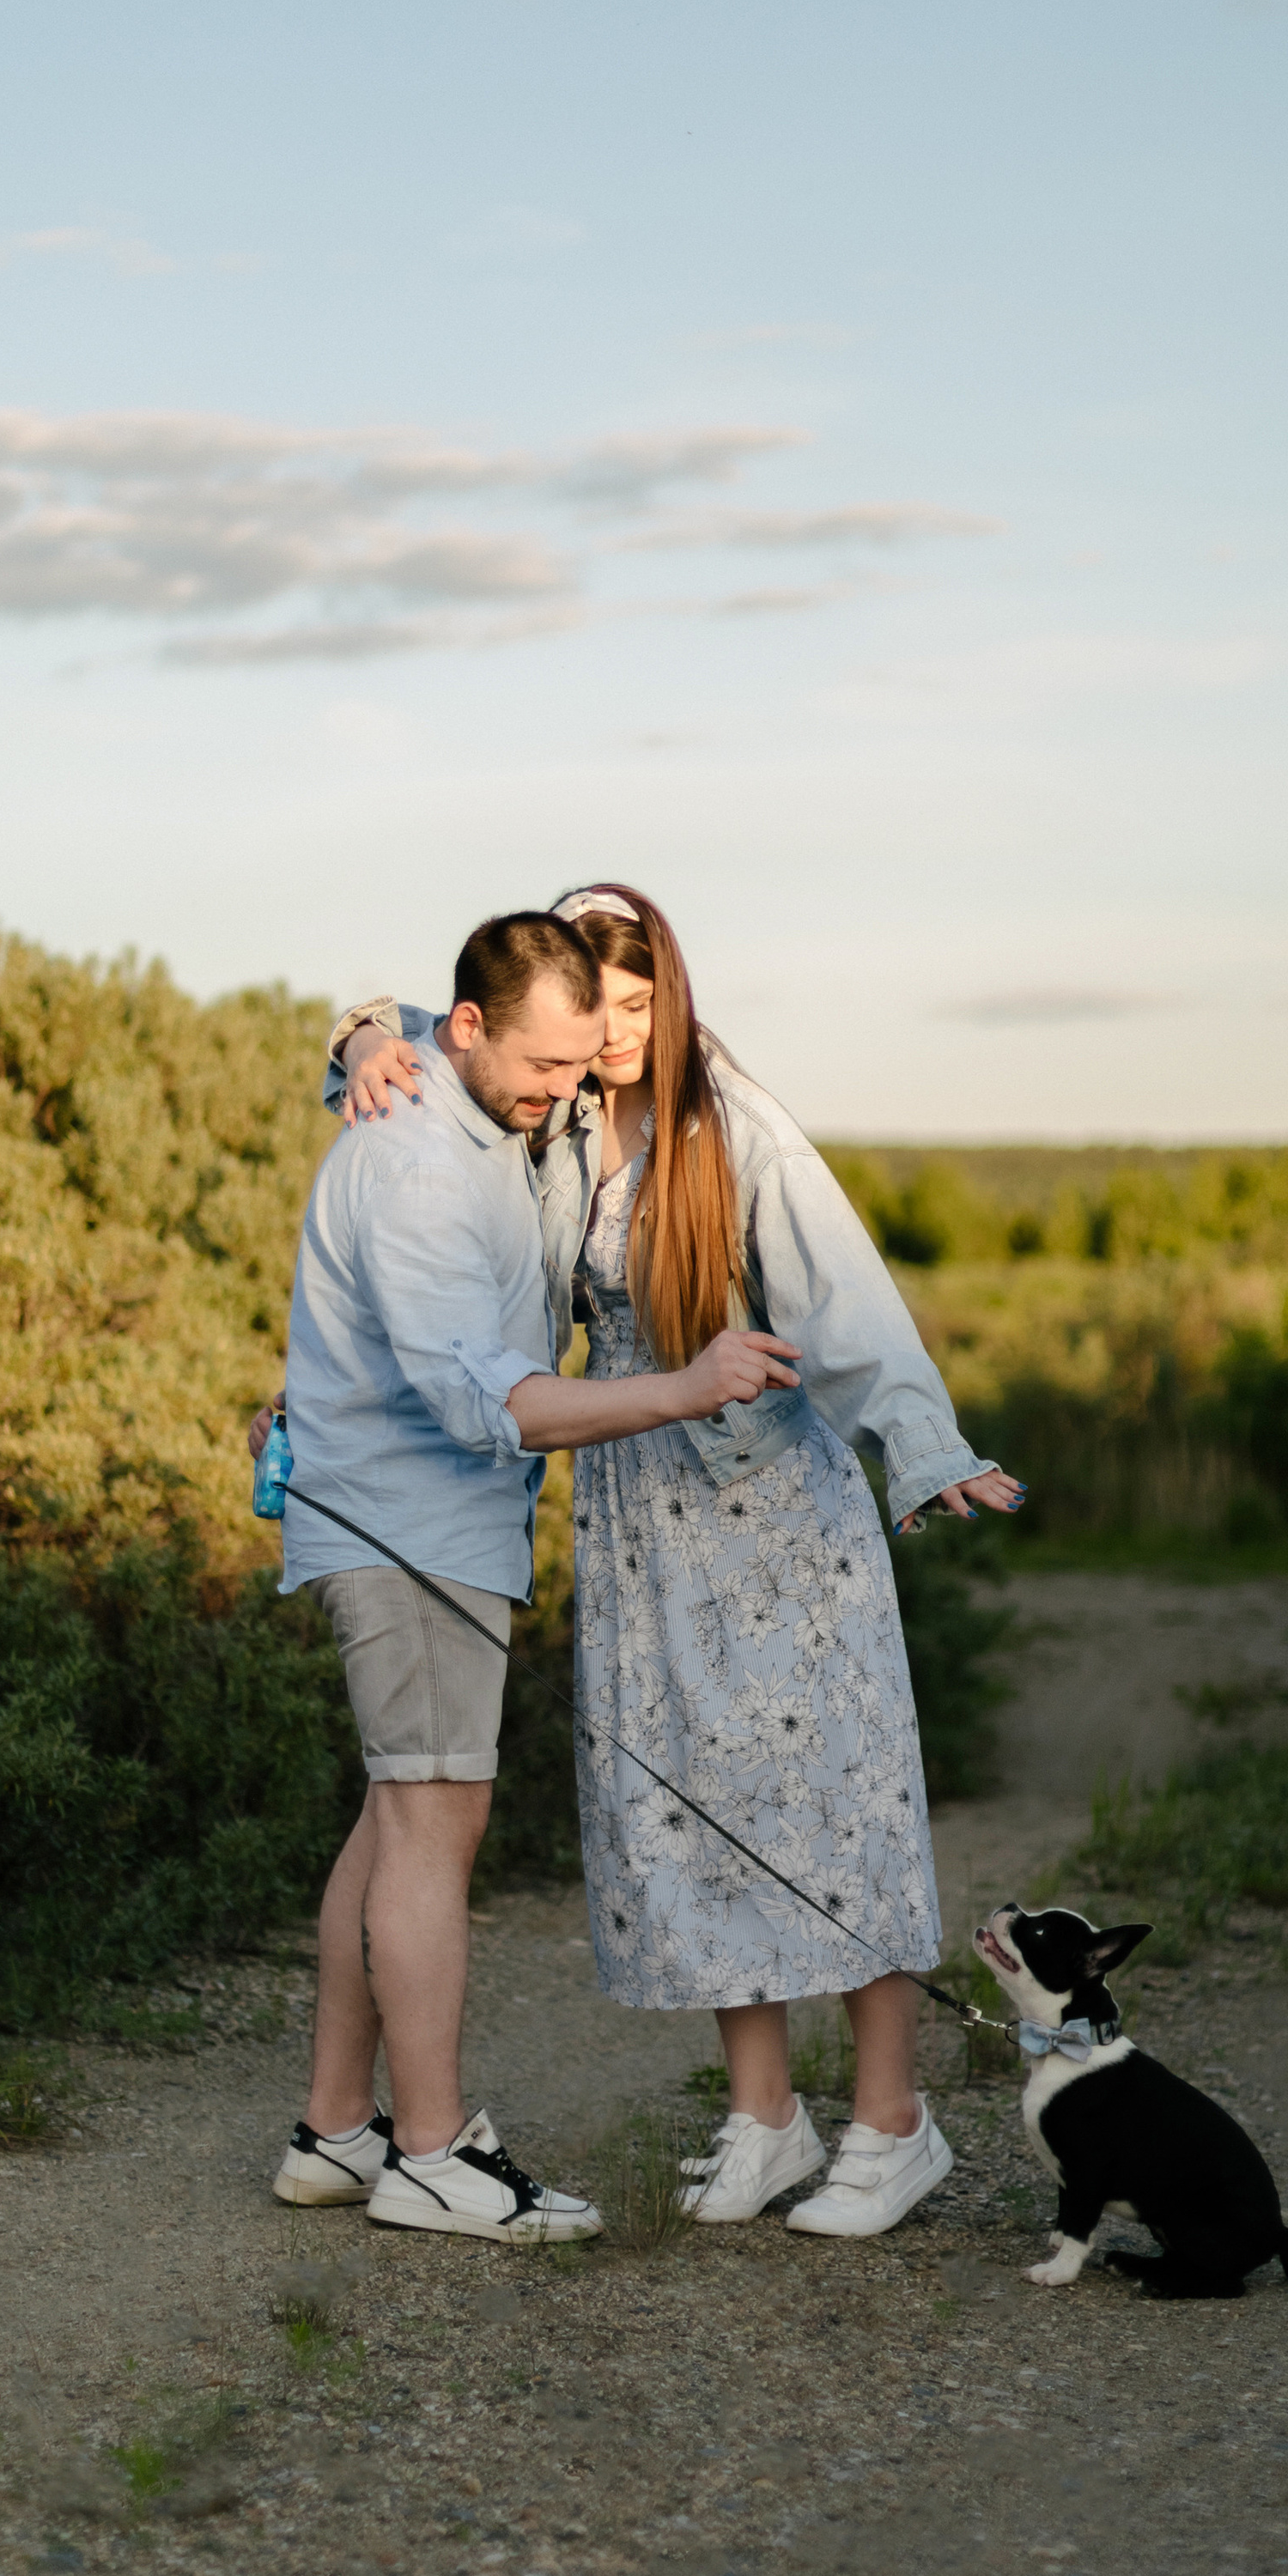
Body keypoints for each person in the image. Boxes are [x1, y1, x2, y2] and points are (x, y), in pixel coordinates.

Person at [315, 885, 1025, 2239]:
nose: (619, 1034)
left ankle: (893, 2122)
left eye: (640, 1005)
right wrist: (358, 1038)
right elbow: (445, 1028)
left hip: (773, 1516)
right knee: (698, 1811)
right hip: (641, 1514)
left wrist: (924, 1443)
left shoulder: (733, 1123)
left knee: (833, 1808)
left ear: (672, 997)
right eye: (601, 1009)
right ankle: (765, 2115)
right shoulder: (565, 1112)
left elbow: (844, 1292)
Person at [269, 906, 804, 2242]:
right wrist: (684, 1388)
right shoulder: (418, 1169)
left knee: (396, 1818)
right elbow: (486, 1402)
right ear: (468, 1029)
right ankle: (433, 2154)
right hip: (407, 1532)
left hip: (421, 1529)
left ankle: (337, 2132)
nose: (564, 1093)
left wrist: (359, 1033)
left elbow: (395, 1028)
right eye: (545, 1066)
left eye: (577, 1067)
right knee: (432, 1826)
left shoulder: (452, 1084)